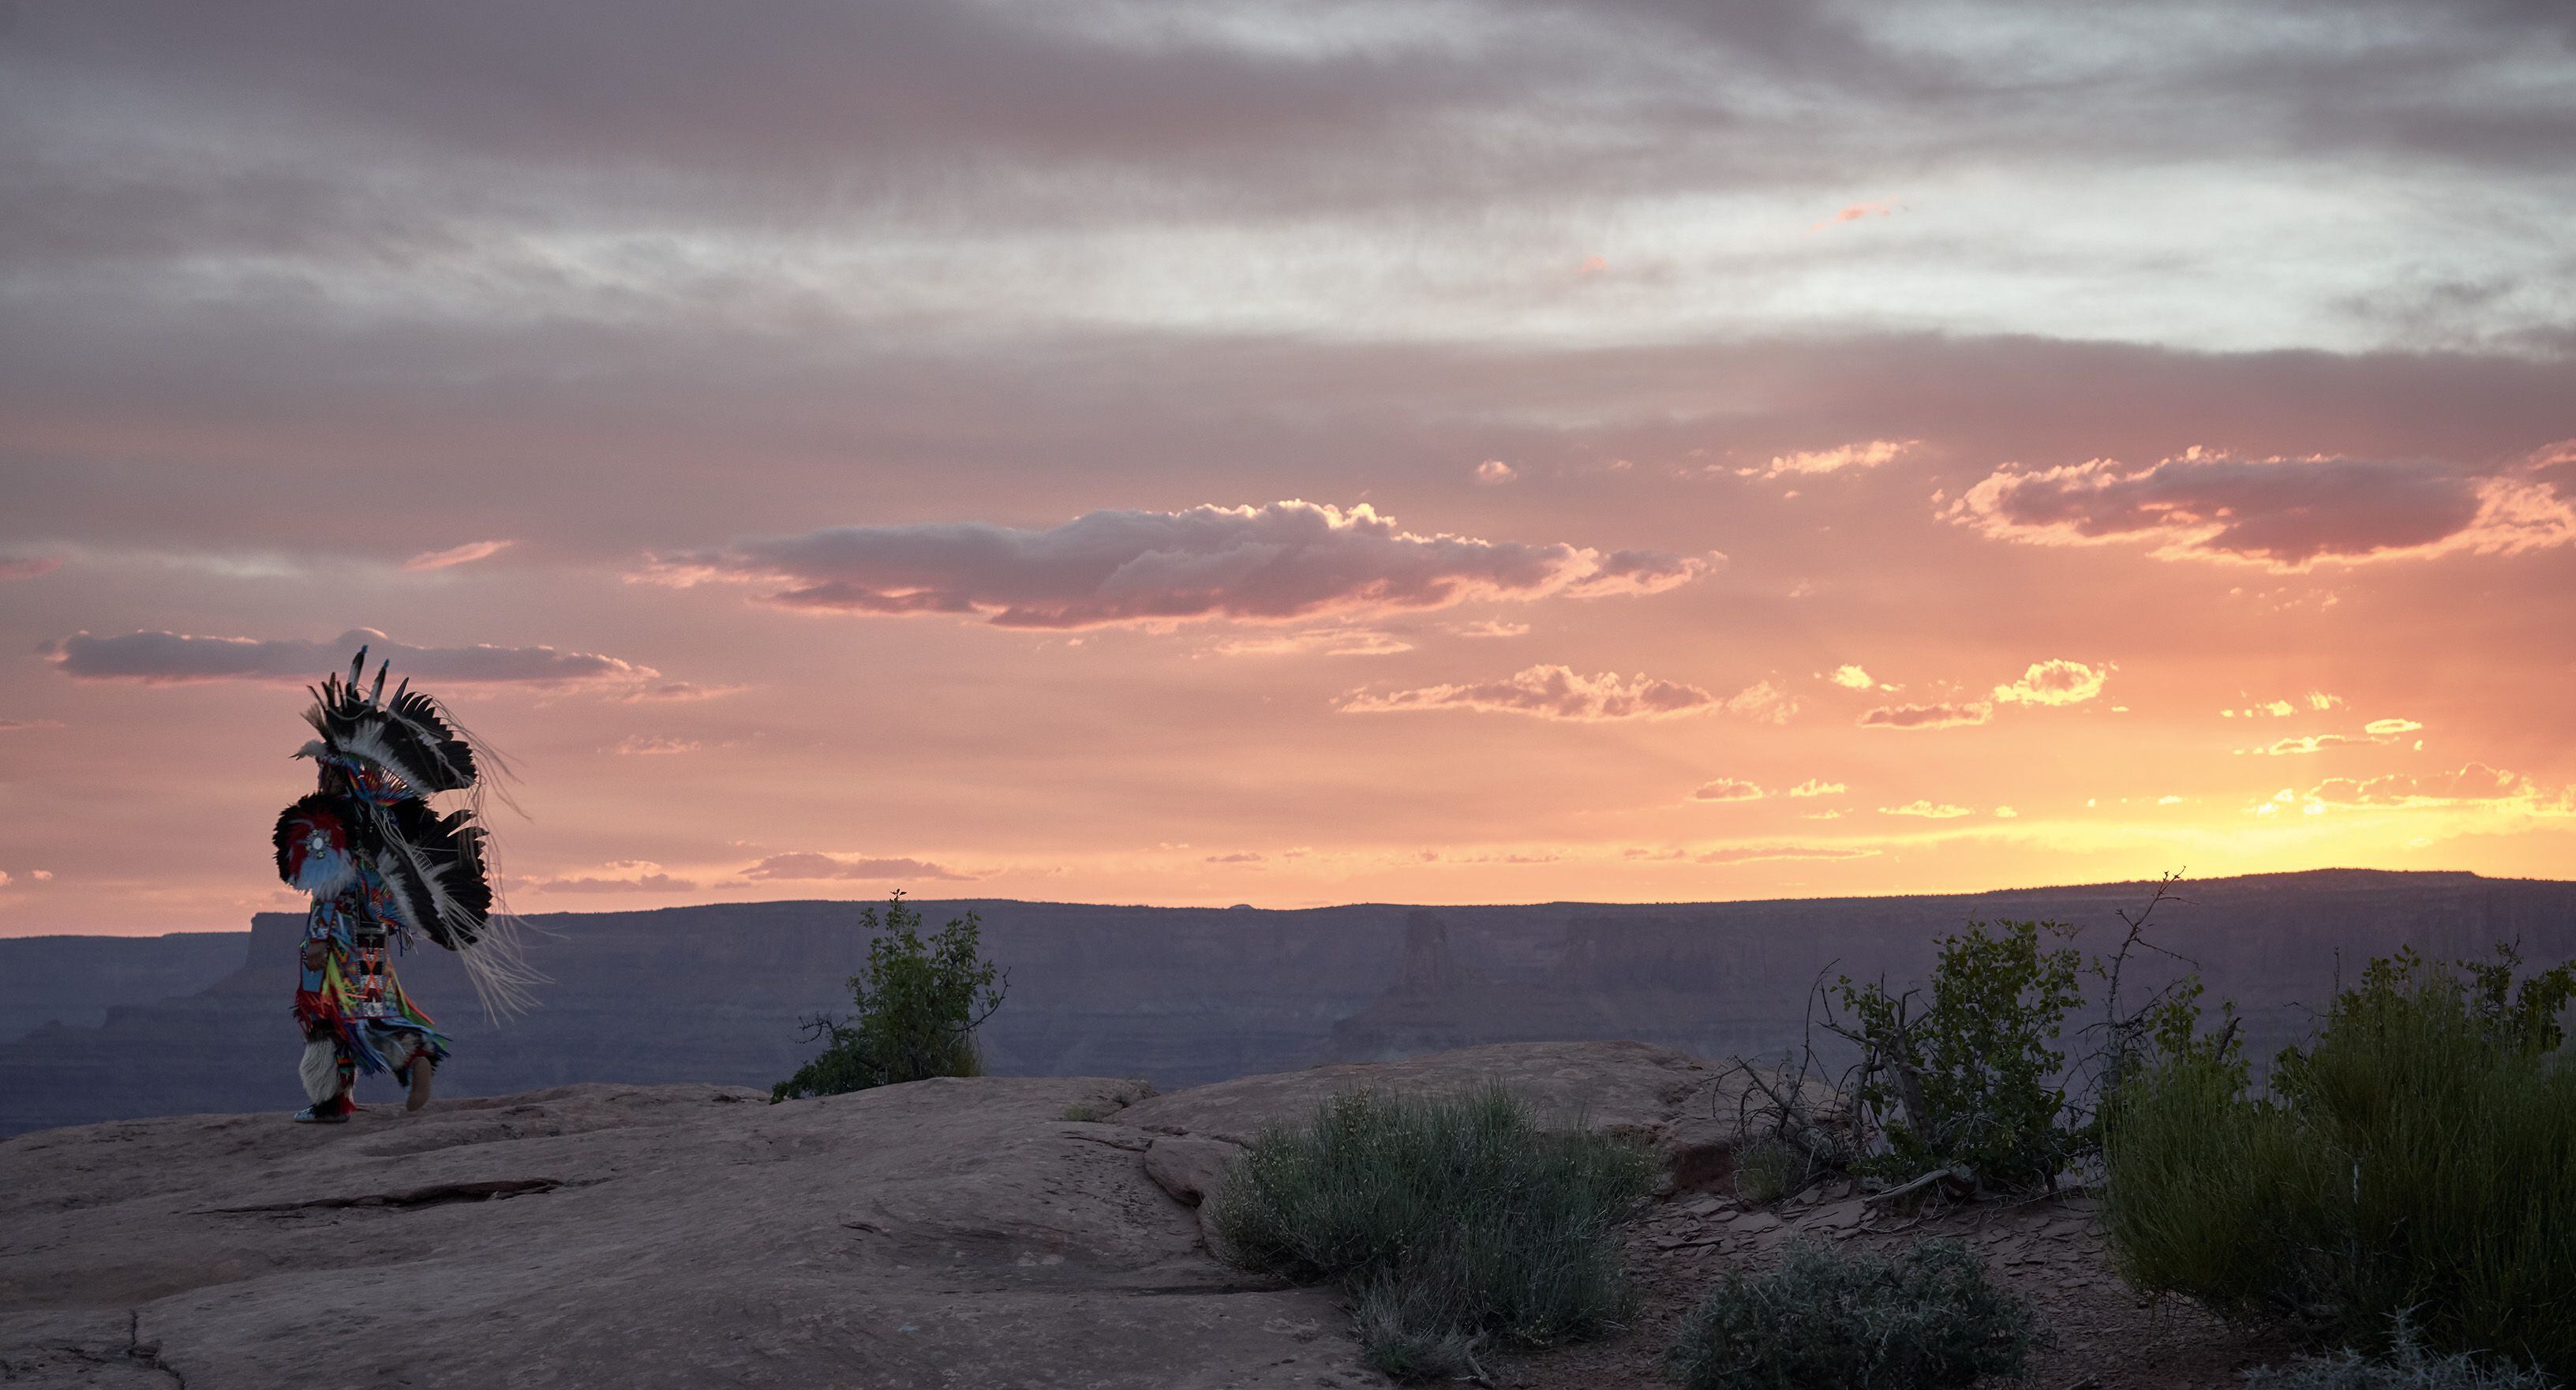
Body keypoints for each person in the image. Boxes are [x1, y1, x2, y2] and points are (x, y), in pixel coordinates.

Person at [273, 647, 534, 1123]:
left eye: (323, 769)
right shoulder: (379, 821)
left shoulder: (329, 823)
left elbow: (331, 888)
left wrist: (317, 943)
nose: (318, 774)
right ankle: (412, 1054)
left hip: (334, 943)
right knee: (371, 1006)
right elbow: (374, 885)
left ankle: (331, 1102)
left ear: (332, 770)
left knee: (322, 1016)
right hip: (373, 937)